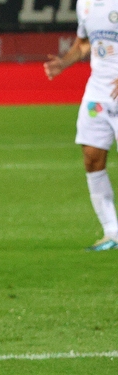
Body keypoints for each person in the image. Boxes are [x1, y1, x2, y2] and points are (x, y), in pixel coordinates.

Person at [45, 14, 118, 251]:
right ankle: (112, 233)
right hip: (98, 93)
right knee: (91, 158)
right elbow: (84, 43)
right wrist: (63, 63)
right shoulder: (86, 5)